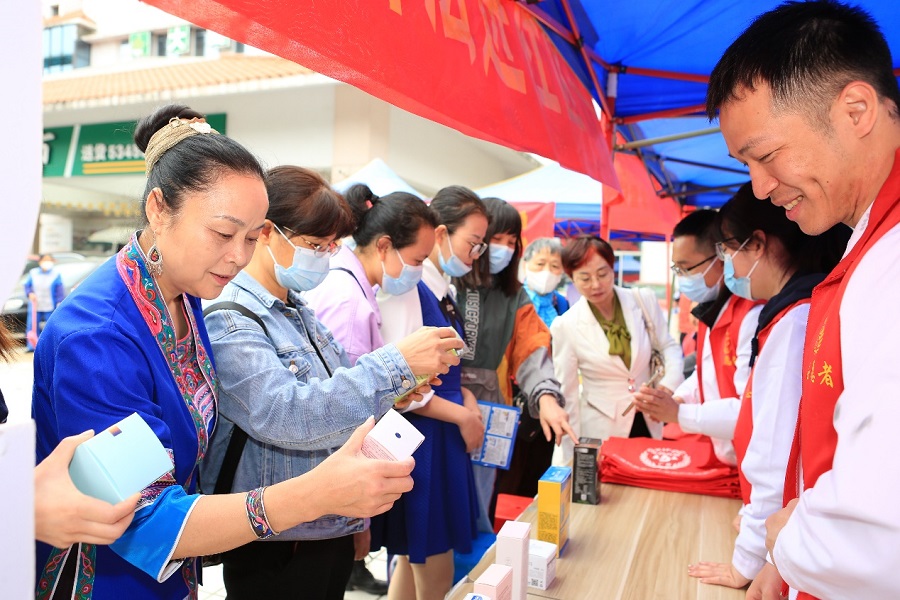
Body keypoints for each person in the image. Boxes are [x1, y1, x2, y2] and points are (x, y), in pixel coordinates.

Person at [30, 104, 417, 600]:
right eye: (222, 233)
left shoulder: (186, 296)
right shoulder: (97, 334)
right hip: (109, 580)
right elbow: (144, 516)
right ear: (157, 208)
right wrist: (314, 494)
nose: (239, 255)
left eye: (252, 237)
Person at [707, 2, 900, 598]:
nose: (761, 188)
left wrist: (790, 541)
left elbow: (878, 534)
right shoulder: (866, 249)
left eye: (766, 157)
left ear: (856, 110)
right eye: (747, 165)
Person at [201, 168, 460, 600]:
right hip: (279, 535)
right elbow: (286, 414)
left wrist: (398, 391)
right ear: (266, 233)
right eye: (313, 246)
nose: (322, 258)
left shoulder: (298, 311)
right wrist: (395, 363)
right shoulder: (230, 317)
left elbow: (337, 403)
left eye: (328, 246)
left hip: (326, 522)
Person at [652, 185, 846, 593]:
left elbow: (774, 454)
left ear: (757, 244)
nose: (729, 267)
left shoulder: (792, 320)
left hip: (790, 534)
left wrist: (748, 559)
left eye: (726, 252)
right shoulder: (802, 306)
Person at [302, 184, 439, 596]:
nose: (418, 270)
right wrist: (356, 520)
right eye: (417, 260)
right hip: (327, 494)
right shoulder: (349, 300)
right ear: (384, 246)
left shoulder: (356, 289)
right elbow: (344, 412)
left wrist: (396, 393)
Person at [374, 185, 487, 600]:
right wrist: (462, 415)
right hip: (427, 433)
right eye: (471, 243)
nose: (475, 254)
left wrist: (467, 404)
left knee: (411, 555)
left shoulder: (440, 289)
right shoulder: (410, 288)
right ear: (440, 234)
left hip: (440, 428)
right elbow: (405, 379)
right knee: (430, 558)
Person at [455, 198, 574, 528]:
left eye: (511, 242)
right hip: (442, 402)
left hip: (492, 409)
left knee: (480, 505)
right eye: (496, 239)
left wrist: (547, 398)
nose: (504, 249)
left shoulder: (515, 295)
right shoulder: (448, 282)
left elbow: (532, 351)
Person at [636, 209, 763, 468]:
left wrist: (680, 412)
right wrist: (678, 399)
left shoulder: (752, 315)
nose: (682, 278)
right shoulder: (712, 311)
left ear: (722, 257)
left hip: (752, 460)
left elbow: (751, 408)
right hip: (729, 457)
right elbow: (707, 374)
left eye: (686, 268)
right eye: (677, 269)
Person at [551, 235, 684, 464]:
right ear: (571, 278)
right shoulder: (566, 325)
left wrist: (668, 385)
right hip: (601, 428)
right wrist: (568, 458)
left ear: (612, 269)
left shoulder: (643, 300)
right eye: (584, 278)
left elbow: (668, 346)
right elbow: (568, 394)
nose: (596, 284)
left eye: (602, 274)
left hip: (647, 419)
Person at [521, 237, 570, 328]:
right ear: (525, 265)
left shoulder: (562, 303)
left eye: (555, 266)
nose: (547, 271)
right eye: (540, 264)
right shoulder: (514, 300)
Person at [23, 254, 64, 350]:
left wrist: (59, 301)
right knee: (32, 325)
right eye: (45, 260)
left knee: (50, 325)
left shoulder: (56, 274)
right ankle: (32, 346)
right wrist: (30, 293)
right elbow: (27, 285)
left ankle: (50, 346)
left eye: (49, 260)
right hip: (35, 304)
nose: (47, 262)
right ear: (40, 261)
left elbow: (59, 289)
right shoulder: (33, 273)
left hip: (50, 304)